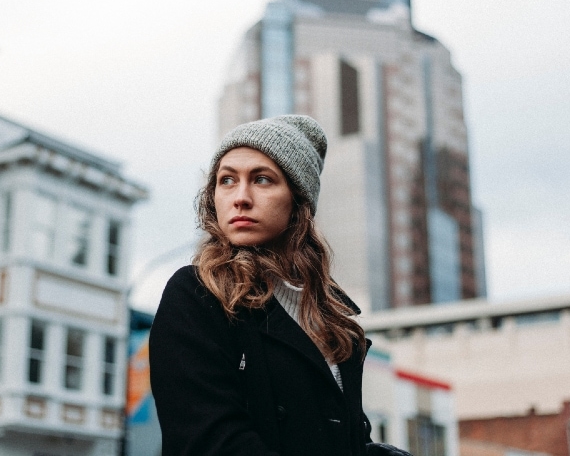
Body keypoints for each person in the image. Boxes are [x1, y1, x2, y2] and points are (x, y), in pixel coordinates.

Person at [150, 115, 411, 456]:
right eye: (226, 180)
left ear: (298, 200)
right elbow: (209, 440)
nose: (240, 197)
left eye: (261, 179)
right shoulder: (198, 293)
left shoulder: (331, 319)